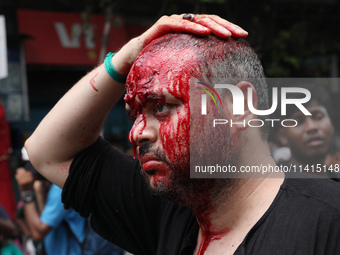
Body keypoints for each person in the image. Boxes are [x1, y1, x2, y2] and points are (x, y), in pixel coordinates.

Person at [25, 14, 340, 255]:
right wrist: (125, 57)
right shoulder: (168, 211)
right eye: (134, 114)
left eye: (161, 107)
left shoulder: (327, 220)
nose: (137, 133)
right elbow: (47, 152)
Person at [15, 166, 86, 255]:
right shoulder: (53, 185)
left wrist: (26, 193)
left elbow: (38, 233)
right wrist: (40, 193)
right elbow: (43, 219)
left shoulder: (60, 188)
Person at [277, 84, 336, 178]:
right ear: (283, 136)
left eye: (318, 117)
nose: (311, 127)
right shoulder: (272, 185)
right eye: (299, 121)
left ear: (332, 125)